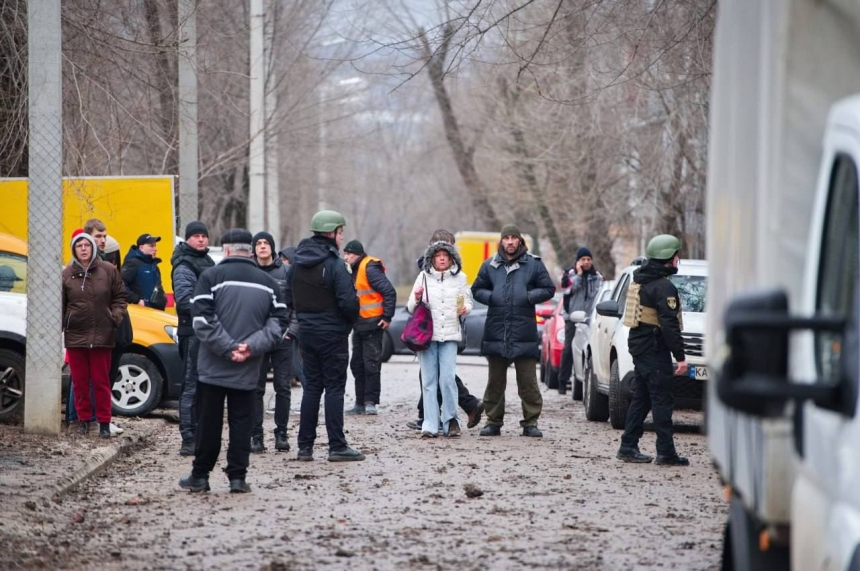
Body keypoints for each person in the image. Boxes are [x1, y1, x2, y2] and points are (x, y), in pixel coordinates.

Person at [178, 228, 287, 494]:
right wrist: (249, 348)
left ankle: (200, 476)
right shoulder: (269, 284)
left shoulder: (210, 277)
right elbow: (278, 324)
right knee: (242, 423)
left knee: (209, 423)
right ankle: (238, 478)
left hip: (213, 368)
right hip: (248, 369)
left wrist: (227, 349)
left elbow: (202, 321)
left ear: (225, 250)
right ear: (249, 250)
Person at [284, 210, 364, 462]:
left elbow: (288, 299)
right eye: (340, 233)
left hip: (306, 333)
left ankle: (304, 447)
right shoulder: (336, 265)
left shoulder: (296, 263)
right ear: (331, 233)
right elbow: (349, 302)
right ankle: (337, 446)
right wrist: (347, 322)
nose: (342, 238)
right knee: (334, 389)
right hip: (332, 335)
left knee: (312, 389)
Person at [472, 224, 555, 437]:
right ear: (501, 241)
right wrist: (491, 297)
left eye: (513, 238)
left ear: (520, 241)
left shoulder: (534, 264)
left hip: (524, 332)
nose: (510, 241)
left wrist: (529, 296)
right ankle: (493, 421)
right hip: (496, 331)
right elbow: (477, 289)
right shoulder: (489, 265)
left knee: (528, 381)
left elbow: (548, 288)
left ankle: (530, 422)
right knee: (495, 381)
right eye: (506, 238)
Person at [617, 234, 690, 466]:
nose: (678, 259)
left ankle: (628, 446)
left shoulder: (642, 280)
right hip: (653, 349)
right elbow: (669, 325)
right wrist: (680, 357)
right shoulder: (663, 287)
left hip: (641, 347)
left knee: (642, 398)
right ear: (668, 257)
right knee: (662, 400)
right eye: (676, 255)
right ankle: (666, 452)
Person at [407, 229, 483, 430]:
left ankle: (451, 421)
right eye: (438, 254)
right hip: (427, 336)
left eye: (446, 254)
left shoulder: (460, 278)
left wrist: (465, 309)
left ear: (452, 256)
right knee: (428, 381)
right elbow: (410, 308)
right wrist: (416, 298)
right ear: (431, 254)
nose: (441, 257)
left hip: (450, 334)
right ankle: (429, 424)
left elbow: (467, 302)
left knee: (448, 379)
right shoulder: (423, 276)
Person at [62, 232, 128, 438]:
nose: (83, 248)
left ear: (93, 248)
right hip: (76, 336)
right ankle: (83, 421)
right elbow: (61, 304)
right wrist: (65, 324)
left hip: (102, 335)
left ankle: (104, 423)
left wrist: (114, 318)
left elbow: (120, 297)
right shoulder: (66, 274)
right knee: (80, 382)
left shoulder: (108, 270)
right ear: (74, 249)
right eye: (79, 245)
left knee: (101, 381)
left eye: (86, 245)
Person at [171, 221, 215, 456]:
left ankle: (199, 434)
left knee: (204, 387)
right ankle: (188, 437)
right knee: (190, 386)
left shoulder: (206, 261)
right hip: (192, 333)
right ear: (187, 239)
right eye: (196, 236)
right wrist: (213, 311)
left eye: (204, 236)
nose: (201, 240)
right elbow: (185, 300)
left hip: (207, 332)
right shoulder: (184, 264)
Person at [250, 231, 294, 453]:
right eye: (258, 243)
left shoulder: (286, 272)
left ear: (273, 247)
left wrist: (291, 331)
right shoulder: (248, 272)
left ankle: (281, 434)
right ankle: (256, 435)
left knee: (283, 387)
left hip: (282, 338)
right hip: (256, 339)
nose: (262, 246)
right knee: (255, 388)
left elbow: (296, 306)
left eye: (266, 242)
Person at [343, 240, 396, 416]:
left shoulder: (370, 267)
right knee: (357, 364)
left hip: (373, 324)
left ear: (356, 254)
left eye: (348, 254)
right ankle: (359, 403)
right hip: (359, 325)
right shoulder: (355, 269)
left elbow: (389, 291)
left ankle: (370, 402)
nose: (345, 257)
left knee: (371, 364)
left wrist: (387, 316)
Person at [558, 247, 603, 394]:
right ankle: (563, 382)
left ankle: (588, 380)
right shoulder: (569, 275)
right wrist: (578, 275)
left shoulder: (597, 276)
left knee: (588, 349)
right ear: (578, 261)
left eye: (588, 259)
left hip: (589, 318)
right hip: (572, 317)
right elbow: (567, 290)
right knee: (569, 348)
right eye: (583, 259)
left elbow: (599, 294)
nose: (586, 262)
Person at [279, 246, 304, 388]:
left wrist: (292, 331)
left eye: (285, 260)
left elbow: (295, 306)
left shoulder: (296, 277)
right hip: (291, 330)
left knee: (298, 366)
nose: (282, 263)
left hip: (296, 331)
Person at [122, 234, 166, 310]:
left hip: (155, 312)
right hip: (140, 313)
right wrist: (137, 300)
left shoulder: (154, 266)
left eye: (155, 246)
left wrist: (162, 300)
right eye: (151, 246)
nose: (155, 249)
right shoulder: (133, 263)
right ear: (141, 247)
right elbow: (120, 285)